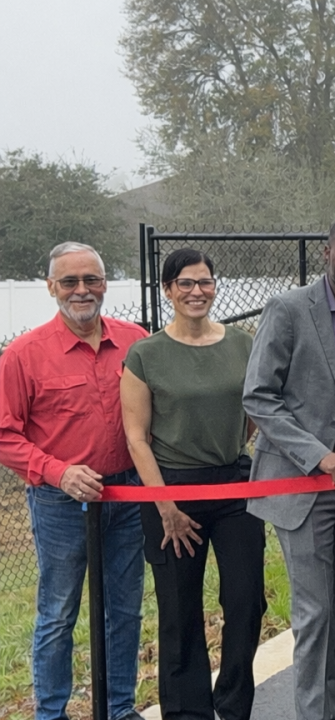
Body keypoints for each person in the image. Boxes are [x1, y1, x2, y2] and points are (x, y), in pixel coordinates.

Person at [242, 217, 335, 720]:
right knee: (315, 613)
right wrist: (317, 454)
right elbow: (259, 397)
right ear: (328, 253)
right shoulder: (288, 310)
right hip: (303, 485)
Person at [0, 242, 148, 720]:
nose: (82, 290)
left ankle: (119, 708)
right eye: (70, 281)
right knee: (59, 612)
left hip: (128, 495)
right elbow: (4, 434)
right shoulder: (23, 355)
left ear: (105, 284)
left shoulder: (136, 341)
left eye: (92, 280)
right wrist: (58, 472)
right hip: (60, 504)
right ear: (51, 287)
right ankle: (51, 713)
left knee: (125, 609)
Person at [120, 248, 265, 720]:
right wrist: (166, 507)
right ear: (168, 290)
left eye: (204, 282)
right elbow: (136, 438)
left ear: (214, 287)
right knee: (180, 610)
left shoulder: (242, 344)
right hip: (171, 491)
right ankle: (188, 711)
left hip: (233, 488)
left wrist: (231, 449)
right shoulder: (145, 355)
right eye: (185, 283)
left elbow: (252, 412)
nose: (196, 291)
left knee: (246, 601)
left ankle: (233, 704)